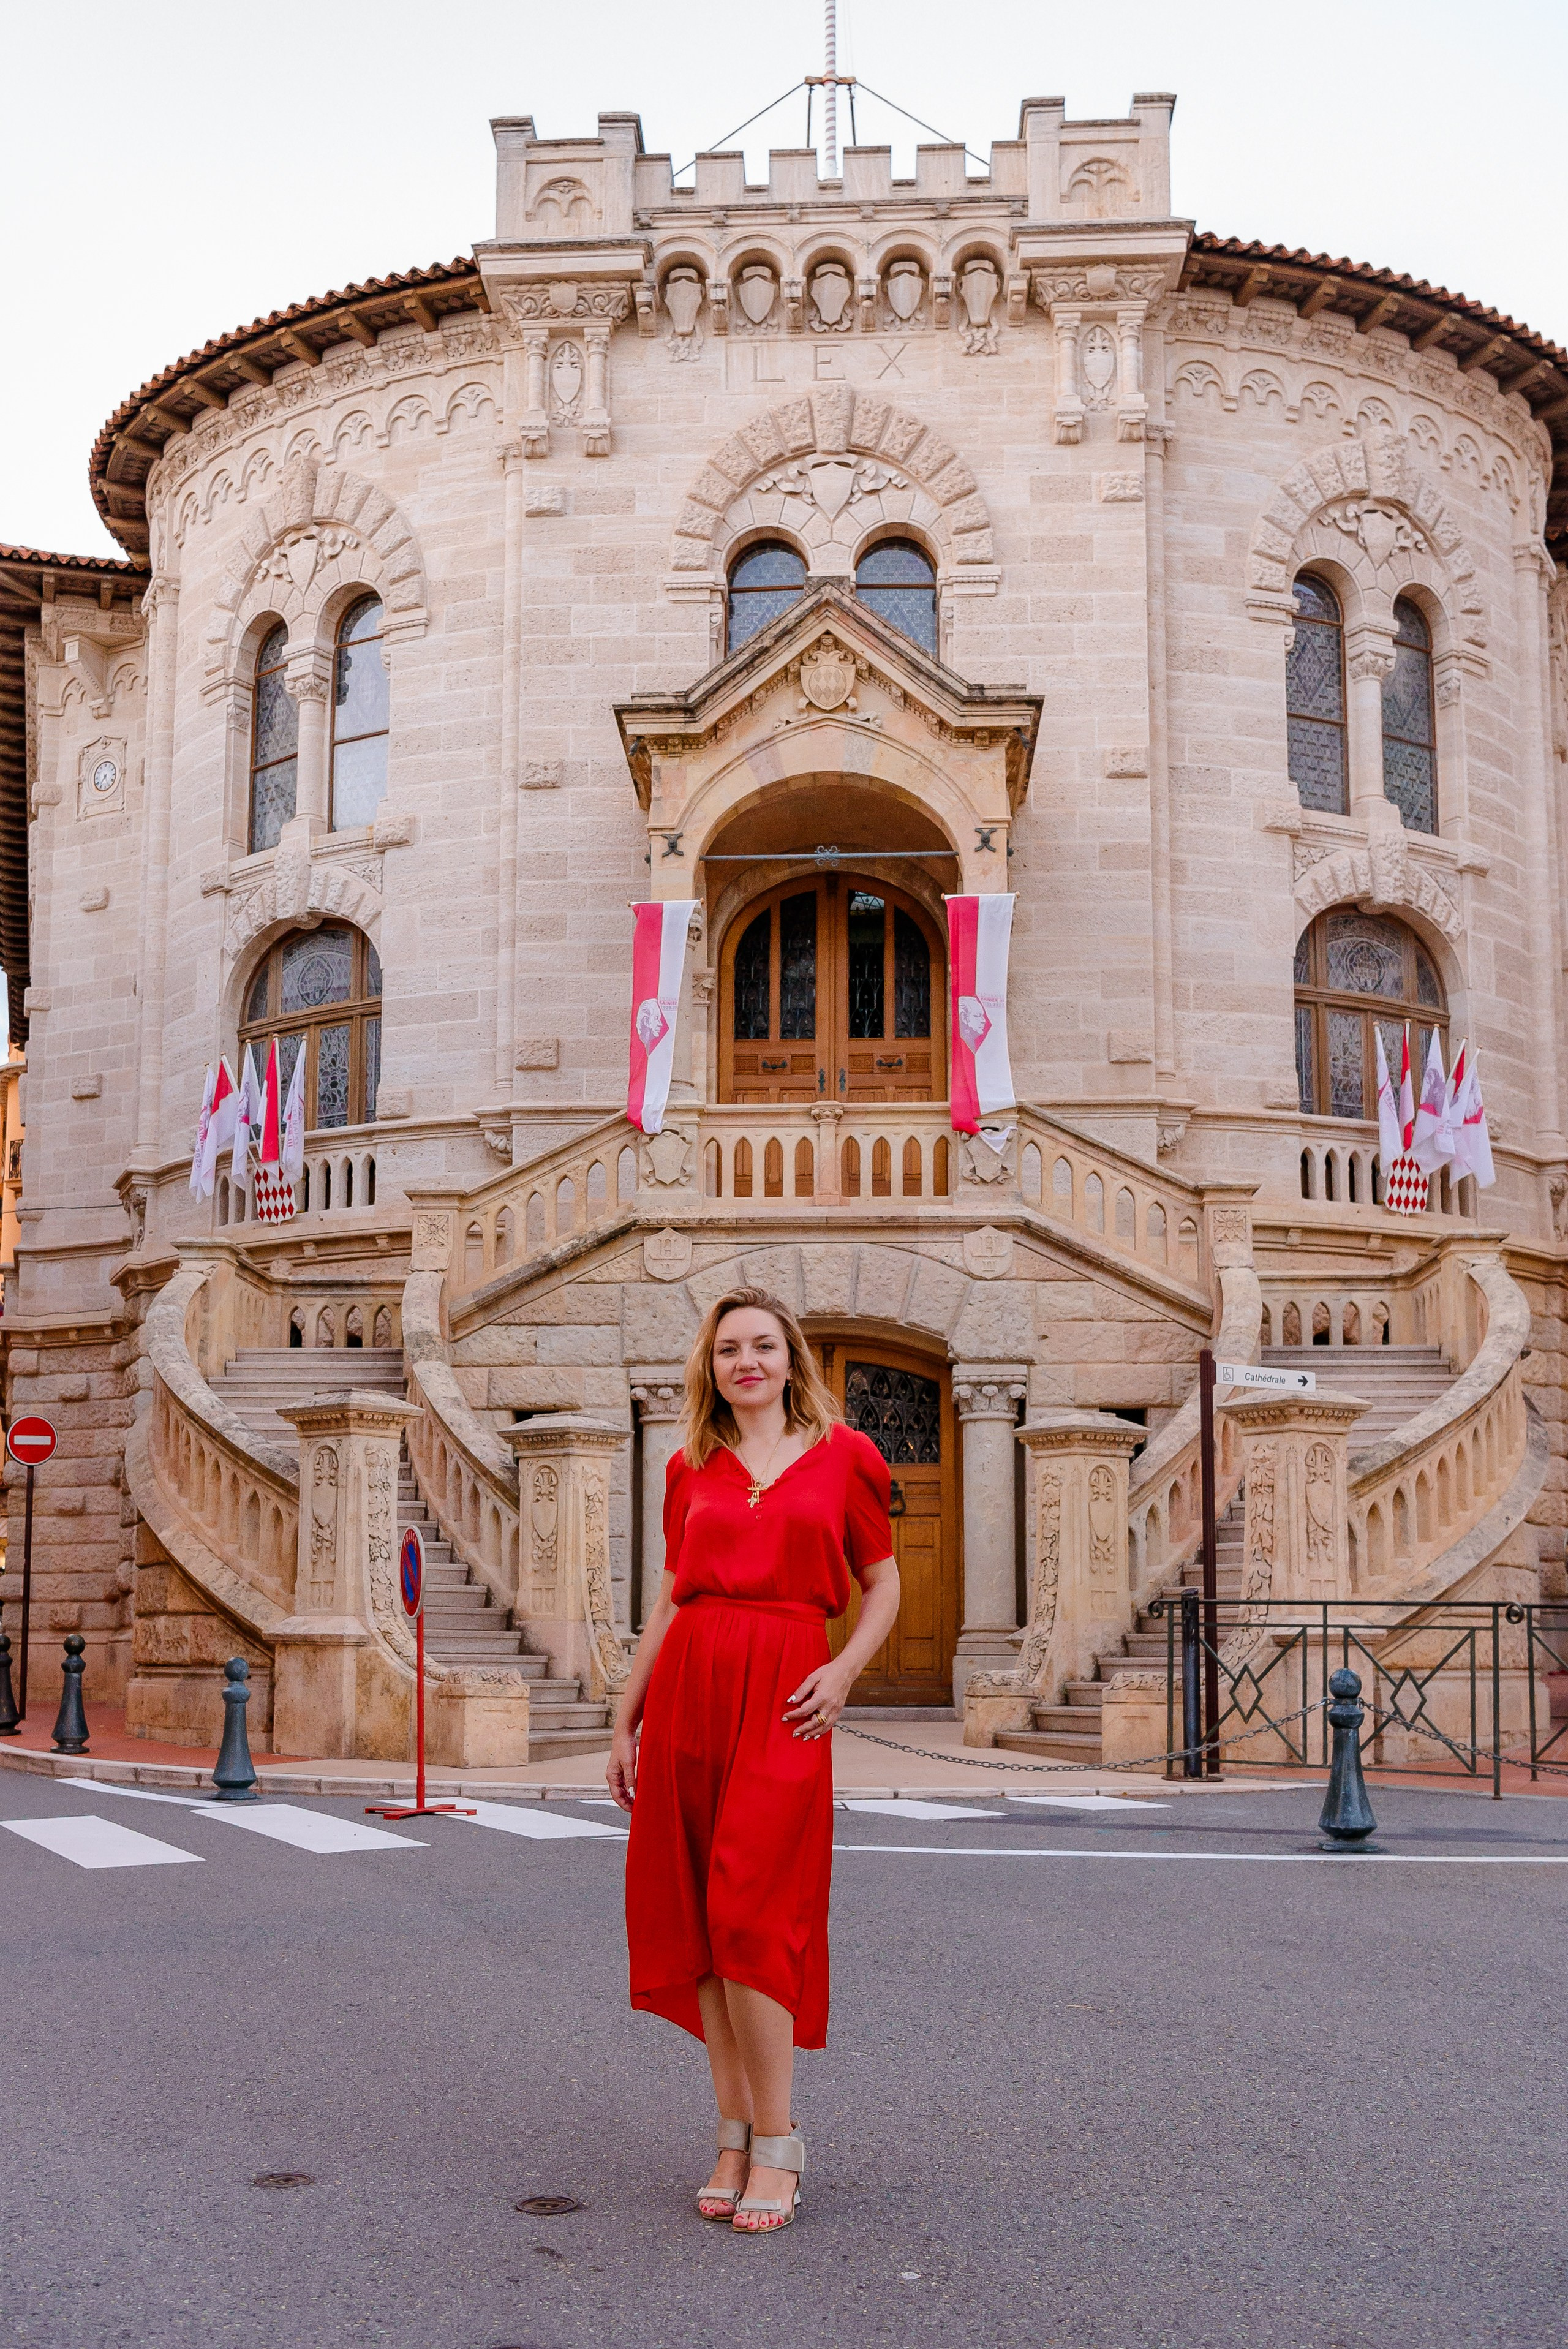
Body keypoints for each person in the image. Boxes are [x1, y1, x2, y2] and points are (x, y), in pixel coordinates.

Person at [609, 1286, 900, 2234]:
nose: (747, 1362)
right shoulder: (691, 1464)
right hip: (690, 1686)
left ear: (791, 1358)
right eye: (730, 1347)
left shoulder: (846, 1455)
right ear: (712, 1364)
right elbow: (670, 1600)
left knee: (750, 1909)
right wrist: (625, 1719)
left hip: (784, 1691)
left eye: (764, 1346)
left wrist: (847, 1670)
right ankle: (732, 2133)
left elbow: (882, 1582)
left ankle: (779, 2141)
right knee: (697, 1917)